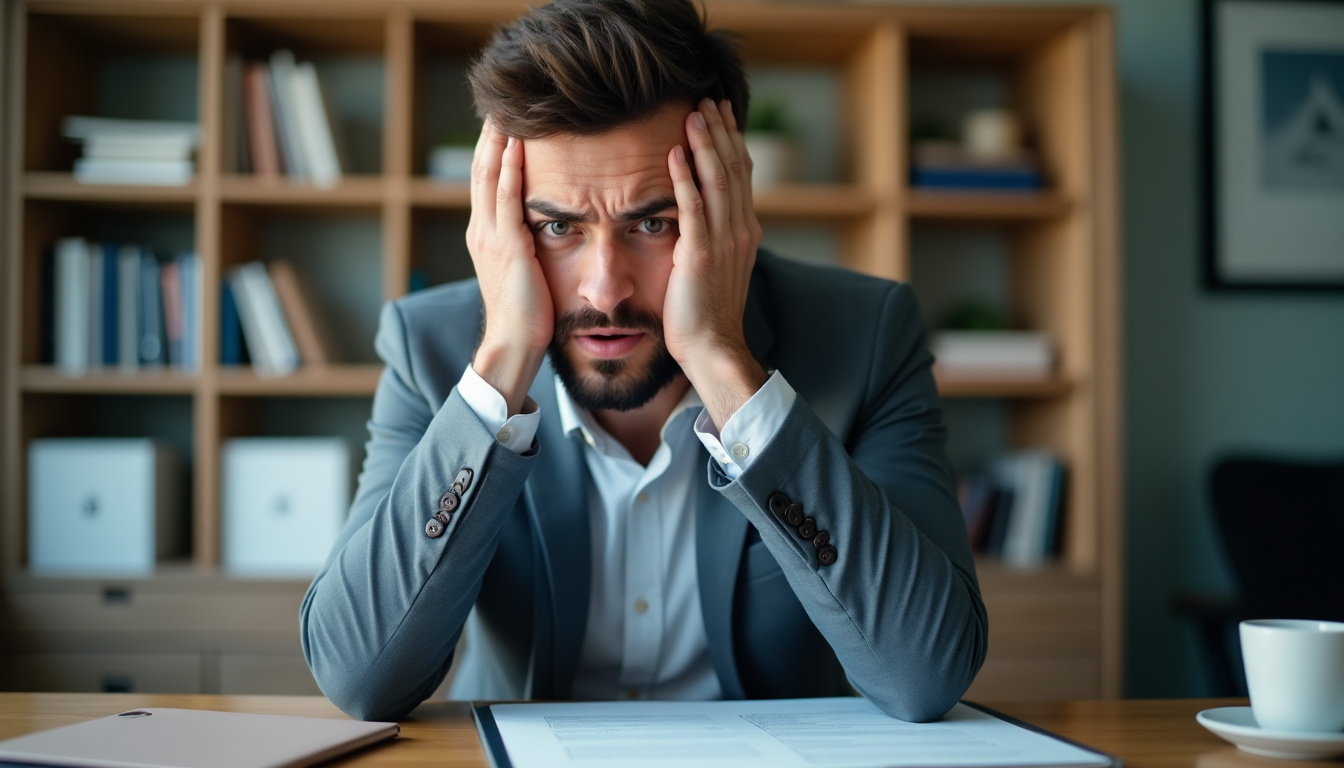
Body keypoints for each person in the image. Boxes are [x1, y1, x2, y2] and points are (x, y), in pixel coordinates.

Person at [301, 0, 986, 723]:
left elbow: (926, 674)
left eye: (653, 222)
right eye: (558, 226)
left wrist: (726, 365)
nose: (605, 289)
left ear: (726, 206)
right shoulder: (432, 346)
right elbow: (360, 677)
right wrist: (503, 361)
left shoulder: (868, 335)